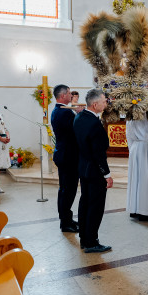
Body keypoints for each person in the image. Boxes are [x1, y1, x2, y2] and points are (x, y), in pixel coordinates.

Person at [73, 89, 113, 253]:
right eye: (104, 101)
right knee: (95, 207)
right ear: (95, 104)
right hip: (95, 171)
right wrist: (107, 175)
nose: (106, 103)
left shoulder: (79, 117)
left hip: (83, 168)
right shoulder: (95, 124)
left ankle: (84, 238)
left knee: (85, 203)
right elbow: (99, 154)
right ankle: (91, 242)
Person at [51, 84, 80, 233]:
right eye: (69, 93)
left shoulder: (58, 110)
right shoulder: (65, 112)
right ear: (62, 96)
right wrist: (80, 115)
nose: (71, 96)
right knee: (68, 190)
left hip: (64, 154)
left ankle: (67, 219)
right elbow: (76, 131)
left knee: (66, 190)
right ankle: (65, 222)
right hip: (68, 156)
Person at [126, 118, 148, 222]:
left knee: (135, 179)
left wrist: (132, 150)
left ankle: (133, 209)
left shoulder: (131, 117)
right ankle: (145, 211)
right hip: (146, 148)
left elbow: (128, 135)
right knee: (146, 180)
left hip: (134, 147)